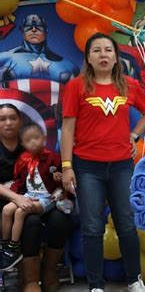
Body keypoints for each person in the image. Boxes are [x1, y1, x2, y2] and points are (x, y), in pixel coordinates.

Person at [60, 33, 145, 292]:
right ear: (88, 58)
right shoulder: (76, 87)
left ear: (116, 57)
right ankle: (95, 286)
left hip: (122, 166)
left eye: (108, 50)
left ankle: (134, 281)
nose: (103, 55)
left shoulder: (129, 84)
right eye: (97, 51)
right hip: (87, 167)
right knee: (92, 227)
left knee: (126, 224)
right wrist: (67, 166)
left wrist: (134, 135)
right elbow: (67, 129)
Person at [0, 103, 74, 292]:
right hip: (11, 201)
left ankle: (49, 271)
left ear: (21, 121)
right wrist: (17, 198)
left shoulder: (35, 145)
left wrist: (59, 182)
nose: (8, 123)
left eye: (13, 118)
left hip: (42, 199)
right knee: (30, 220)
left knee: (59, 219)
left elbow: (54, 174)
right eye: (2, 119)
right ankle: (30, 279)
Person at [0, 123, 63, 271]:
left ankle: (14, 247)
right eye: (28, 140)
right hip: (28, 195)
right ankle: (4, 246)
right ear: (23, 144)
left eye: (36, 138)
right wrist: (14, 196)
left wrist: (59, 178)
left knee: (21, 212)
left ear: (44, 138)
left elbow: (62, 178)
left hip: (46, 198)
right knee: (7, 210)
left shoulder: (52, 157)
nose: (33, 142)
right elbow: (19, 181)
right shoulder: (23, 160)